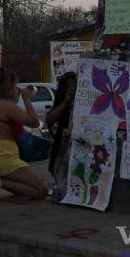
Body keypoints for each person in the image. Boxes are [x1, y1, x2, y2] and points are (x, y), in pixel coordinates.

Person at [0, 67, 47, 201]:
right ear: (9, 84)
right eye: (15, 84)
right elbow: (34, 122)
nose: (17, 87)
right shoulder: (6, 105)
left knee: (34, 184)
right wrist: (26, 98)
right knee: (41, 191)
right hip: (2, 156)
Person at [45, 72, 77, 200]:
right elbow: (49, 120)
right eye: (69, 87)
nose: (72, 90)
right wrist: (65, 102)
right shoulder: (62, 101)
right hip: (62, 145)